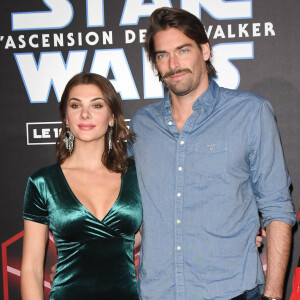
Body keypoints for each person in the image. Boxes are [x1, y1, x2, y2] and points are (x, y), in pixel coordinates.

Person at [129, 7, 296, 300]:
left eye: (183, 50)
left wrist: (272, 295)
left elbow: (277, 208)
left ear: (204, 50)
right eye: (162, 55)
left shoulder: (250, 113)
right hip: (156, 292)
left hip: (231, 292)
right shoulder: (142, 126)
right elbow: (128, 215)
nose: (173, 63)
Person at [20, 72, 142, 300]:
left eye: (97, 105)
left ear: (113, 117)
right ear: (66, 117)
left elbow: (156, 236)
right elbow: (32, 269)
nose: (85, 114)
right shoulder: (43, 182)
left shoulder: (137, 175)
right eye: (76, 105)